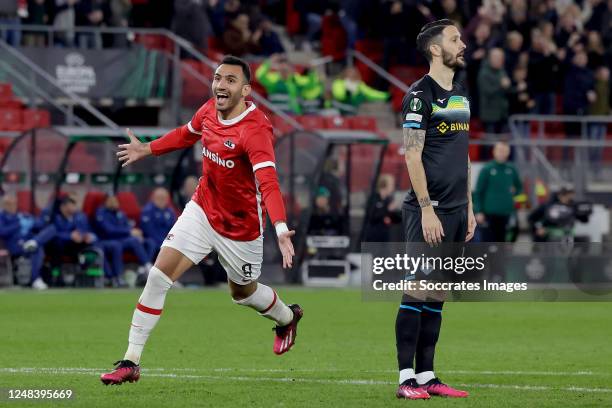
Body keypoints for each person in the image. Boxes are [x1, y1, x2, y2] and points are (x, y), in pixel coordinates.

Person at [101, 55, 303, 385]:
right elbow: (186, 133)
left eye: (230, 80)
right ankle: (130, 360)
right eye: (217, 78)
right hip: (202, 209)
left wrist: (281, 228)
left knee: (243, 294)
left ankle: (286, 316)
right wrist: (147, 149)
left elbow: (268, 181)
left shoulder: (255, 131)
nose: (220, 84)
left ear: (247, 90)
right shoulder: (209, 109)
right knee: (157, 276)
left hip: (241, 228)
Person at [396, 19, 475, 400]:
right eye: (454, 39)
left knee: (439, 292)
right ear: (434, 49)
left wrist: (470, 209)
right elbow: (412, 154)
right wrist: (426, 208)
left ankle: (428, 376)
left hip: (458, 211)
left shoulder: (460, 95)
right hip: (429, 210)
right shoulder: (418, 95)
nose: (462, 44)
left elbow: (464, 158)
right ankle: (405, 378)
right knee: (418, 289)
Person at [0, 195, 56, 289]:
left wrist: (45, 213)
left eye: (13, 203)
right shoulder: (2, 216)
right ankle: (35, 279)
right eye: (8, 204)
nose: (11, 206)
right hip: (15, 245)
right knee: (37, 249)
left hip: (28, 240)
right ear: (4, 204)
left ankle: (35, 242)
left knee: (52, 229)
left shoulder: (23, 215)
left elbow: (40, 224)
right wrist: (17, 224)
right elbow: (2, 231)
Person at [473, 141, 524, 242]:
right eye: (499, 150)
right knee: (488, 244)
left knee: (504, 244)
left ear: (508, 152)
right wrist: (478, 211)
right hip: (488, 214)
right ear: (494, 151)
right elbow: (478, 192)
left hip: (507, 213)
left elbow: (519, 188)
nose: (502, 153)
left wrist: (515, 200)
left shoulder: (511, 169)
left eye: (504, 150)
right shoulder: (487, 169)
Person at [94, 194, 155, 276]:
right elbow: (109, 230)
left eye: (115, 201)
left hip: (123, 240)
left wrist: (135, 234)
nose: (113, 203)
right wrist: (129, 232)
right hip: (108, 240)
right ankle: (147, 266)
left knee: (149, 242)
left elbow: (128, 226)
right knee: (132, 241)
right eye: (110, 200)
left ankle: (143, 268)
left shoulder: (120, 213)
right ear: (105, 202)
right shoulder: (101, 213)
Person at [255, 54, 323, 114]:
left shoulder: (297, 80)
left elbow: (311, 84)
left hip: (295, 115)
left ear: (291, 68)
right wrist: (269, 61)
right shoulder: (274, 79)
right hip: (279, 115)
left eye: (286, 66)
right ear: (278, 68)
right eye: (281, 65)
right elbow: (260, 75)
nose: (284, 68)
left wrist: (311, 71)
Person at [140, 188, 177, 252]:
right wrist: (164, 242)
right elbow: (149, 231)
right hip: (153, 239)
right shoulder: (148, 211)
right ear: (153, 198)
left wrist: (169, 241)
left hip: (167, 240)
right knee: (152, 243)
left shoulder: (170, 211)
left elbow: (173, 229)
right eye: (159, 198)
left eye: (164, 198)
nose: (162, 200)